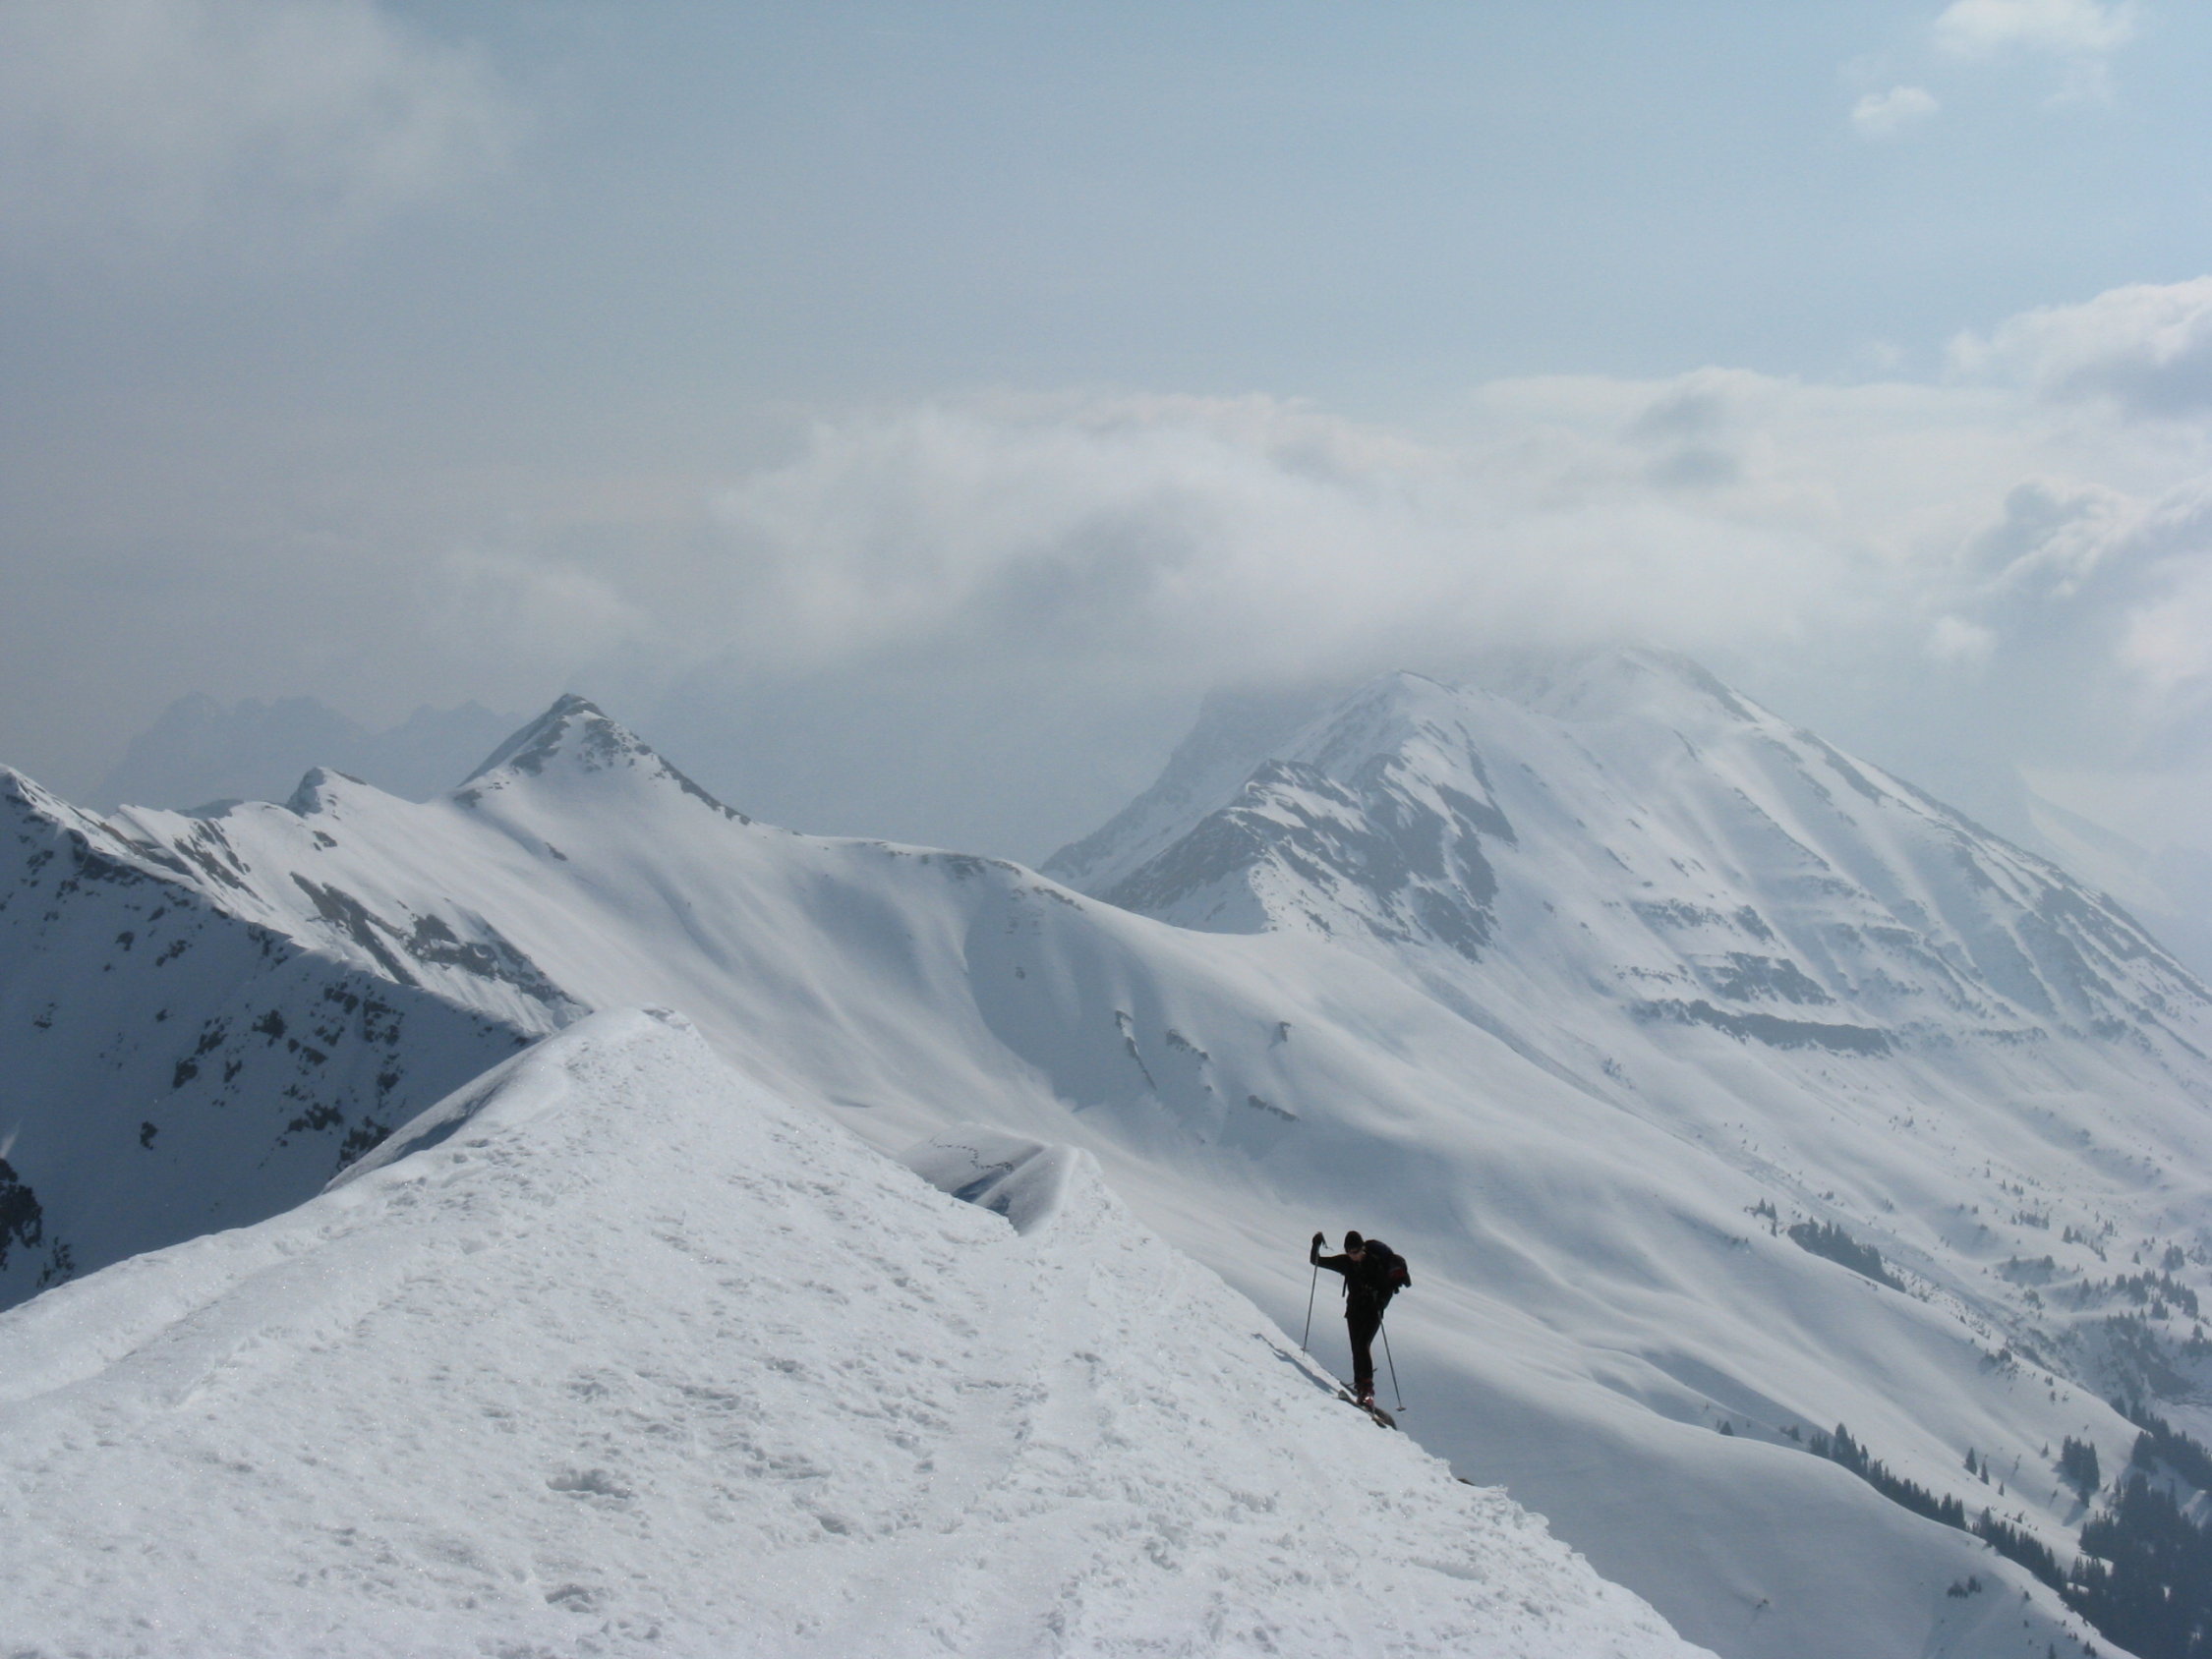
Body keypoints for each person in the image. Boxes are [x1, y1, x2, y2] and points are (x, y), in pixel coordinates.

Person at [1310, 1230, 1405, 1407]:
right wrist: (1315, 1244)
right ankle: (1361, 1385)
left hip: (1373, 1312)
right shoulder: (1346, 1262)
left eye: (1356, 1251)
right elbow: (1316, 1261)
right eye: (1349, 1252)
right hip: (1354, 1311)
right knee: (1356, 1347)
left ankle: (1367, 1390)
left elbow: (1388, 1289)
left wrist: (1380, 1302)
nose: (1353, 1256)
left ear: (1363, 1248)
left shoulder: (1375, 1264)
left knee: (1362, 1344)